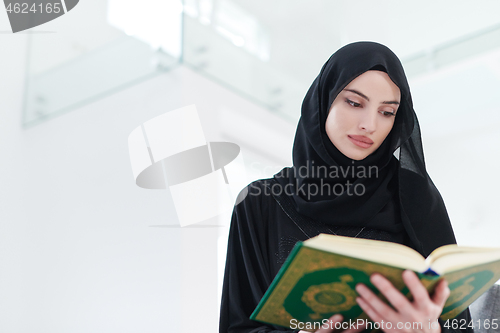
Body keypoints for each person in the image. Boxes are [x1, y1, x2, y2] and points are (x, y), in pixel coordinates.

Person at [218, 41, 473, 333]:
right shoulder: (259, 203)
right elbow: (236, 327)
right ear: (323, 100)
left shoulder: (415, 198)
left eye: (387, 112)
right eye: (354, 103)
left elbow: (458, 322)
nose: (370, 124)